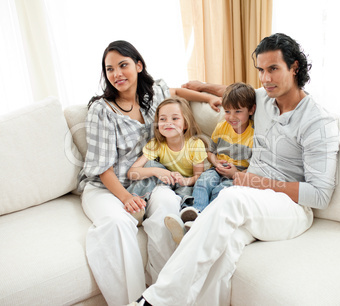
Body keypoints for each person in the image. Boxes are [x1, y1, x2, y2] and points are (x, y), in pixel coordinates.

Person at [130, 33, 340, 306]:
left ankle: (153, 301)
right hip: (251, 196)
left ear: (295, 68)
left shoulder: (318, 123)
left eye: (273, 69)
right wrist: (203, 86)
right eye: (261, 70)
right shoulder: (263, 100)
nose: (265, 79)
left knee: (230, 198)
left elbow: (321, 195)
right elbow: (234, 91)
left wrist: (255, 181)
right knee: (223, 249)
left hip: (291, 208)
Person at [77, 40, 222, 306]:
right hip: (106, 186)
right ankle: (132, 301)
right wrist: (124, 198)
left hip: (150, 179)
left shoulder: (152, 94)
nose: (117, 74)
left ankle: (166, 296)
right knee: (119, 224)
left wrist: (209, 97)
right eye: (110, 69)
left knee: (169, 207)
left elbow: (176, 92)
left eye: (123, 65)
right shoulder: (101, 110)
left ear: (138, 66)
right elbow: (102, 168)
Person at [166, 82, 256, 241]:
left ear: (251, 110)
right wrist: (216, 163)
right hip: (217, 168)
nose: (231, 117)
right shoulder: (222, 127)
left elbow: (256, 166)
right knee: (202, 182)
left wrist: (236, 173)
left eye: (238, 111)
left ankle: (206, 222)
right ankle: (195, 214)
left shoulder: (254, 135)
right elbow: (210, 152)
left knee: (221, 191)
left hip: (238, 176)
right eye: (227, 111)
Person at [126, 97, 208, 244]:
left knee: (195, 190)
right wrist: (157, 172)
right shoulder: (156, 145)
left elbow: (199, 176)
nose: (168, 123)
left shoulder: (195, 144)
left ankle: (184, 223)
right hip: (165, 181)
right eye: (163, 119)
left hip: (184, 185)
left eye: (175, 118)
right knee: (151, 165)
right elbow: (132, 172)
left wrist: (186, 180)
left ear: (185, 123)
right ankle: (138, 205)